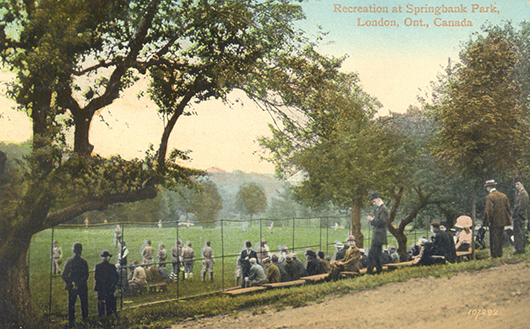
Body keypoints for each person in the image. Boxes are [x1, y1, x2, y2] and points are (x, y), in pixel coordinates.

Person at [61, 242, 89, 326]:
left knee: (71, 305)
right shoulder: (83, 262)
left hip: (72, 286)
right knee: (84, 304)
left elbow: (64, 275)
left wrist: (71, 282)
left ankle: (72, 322)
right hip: (82, 286)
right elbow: (86, 275)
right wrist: (79, 283)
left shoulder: (70, 261)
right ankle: (85, 320)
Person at [483, 179, 512, 258]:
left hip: (494, 222)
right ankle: (500, 254)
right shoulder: (503, 195)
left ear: (488, 187)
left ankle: (495, 255)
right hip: (502, 221)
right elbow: (508, 208)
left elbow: (488, 211)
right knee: (499, 237)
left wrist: (487, 221)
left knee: (493, 238)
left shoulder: (490, 197)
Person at [366, 191, 388, 274]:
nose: (373, 203)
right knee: (377, 254)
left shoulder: (383, 209)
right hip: (378, 235)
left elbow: (382, 222)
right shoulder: (379, 209)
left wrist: (372, 219)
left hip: (379, 235)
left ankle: (369, 272)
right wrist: (372, 219)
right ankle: (379, 271)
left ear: (379, 199)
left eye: (374, 201)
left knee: (372, 253)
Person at [94, 250, 119, 317]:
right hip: (109, 288)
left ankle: (101, 316)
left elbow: (96, 277)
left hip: (101, 288)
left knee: (101, 303)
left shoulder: (98, 266)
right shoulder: (112, 267)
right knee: (109, 304)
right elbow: (116, 277)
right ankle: (109, 316)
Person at [512, 175, 529, 253]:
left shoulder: (524, 194)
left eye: (518, 184)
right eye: (515, 184)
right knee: (517, 233)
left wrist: (518, 215)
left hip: (520, 217)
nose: (516, 186)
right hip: (517, 217)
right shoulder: (518, 193)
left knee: (520, 233)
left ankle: (521, 249)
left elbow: (522, 207)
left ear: (521, 184)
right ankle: (518, 249)